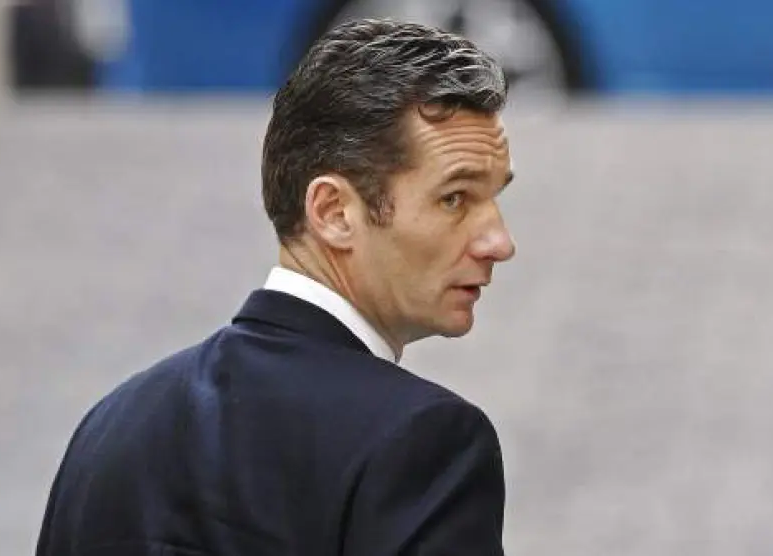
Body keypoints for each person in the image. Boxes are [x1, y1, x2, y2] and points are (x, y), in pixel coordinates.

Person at [36, 18, 517, 556]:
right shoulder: (424, 441)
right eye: (455, 198)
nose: (498, 242)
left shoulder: (109, 428)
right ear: (333, 212)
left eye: (494, 198)